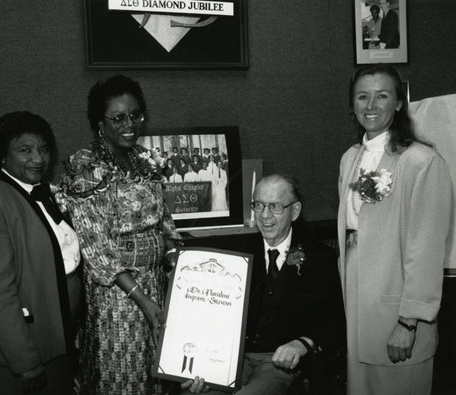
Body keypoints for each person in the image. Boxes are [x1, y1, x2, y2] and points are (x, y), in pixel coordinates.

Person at [57, 75, 183, 394]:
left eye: (135, 114)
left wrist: (181, 265)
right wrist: (142, 299)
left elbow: (165, 223)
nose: (130, 124)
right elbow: (95, 247)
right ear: (100, 122)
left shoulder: (144, 161)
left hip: (155, 283)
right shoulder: (85, 167)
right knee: (123, 377)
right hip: (118, 294)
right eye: (118, 117)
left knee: (159, 374)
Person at [338, 64, 451, 394]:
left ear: (399, 102)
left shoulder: (422, 162)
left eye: (382, 95)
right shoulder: (350, 159)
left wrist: (408, 322)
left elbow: (427, 250)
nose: (370, 105)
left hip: (397, 306)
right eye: (362, 96)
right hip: (358, 304)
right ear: (352, 104)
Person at [186, 174, 345, 394]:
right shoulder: (235, 255)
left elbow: (333, 322)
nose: (265, 215)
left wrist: (301, 344)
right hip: (232, 358)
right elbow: (211, 315)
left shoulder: (319, 258)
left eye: (276, 206)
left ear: (295, 211)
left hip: (280, 362)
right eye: (259, 205)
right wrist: (200, 362)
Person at [0, 111, 81, 395]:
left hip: (57, 342)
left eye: (43, 149)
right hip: (25, 353)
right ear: (2, 156)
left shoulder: (43, 194)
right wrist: (24, 361)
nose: (38, 159)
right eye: (25, 150)